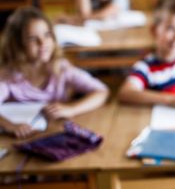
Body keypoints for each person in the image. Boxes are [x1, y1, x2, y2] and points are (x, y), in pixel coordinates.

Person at [0, 8, 109, 139]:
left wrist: (72, 109)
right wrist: (9, 125)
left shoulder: (61, 69)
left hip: (56, 134)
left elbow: (102, 91)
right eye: (32, 38)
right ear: (17, 44)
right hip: (17, 140)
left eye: (47, 35)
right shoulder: (9, 76)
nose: (43, 43)